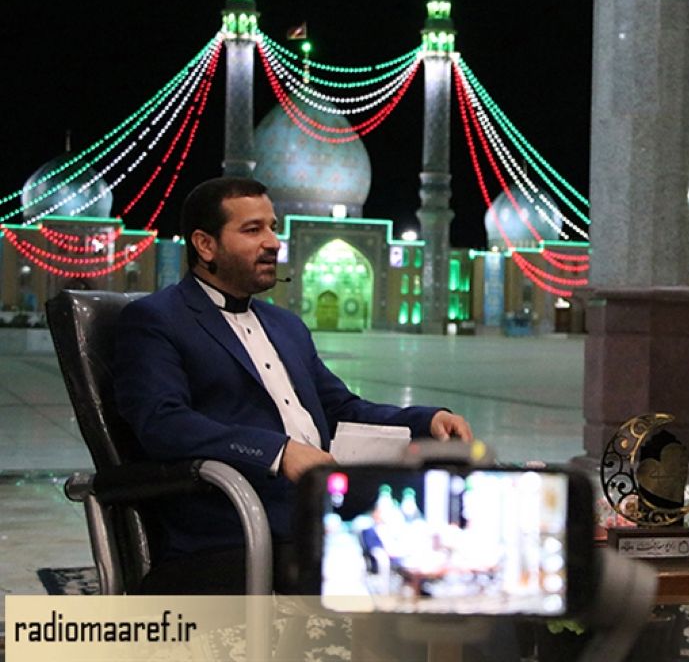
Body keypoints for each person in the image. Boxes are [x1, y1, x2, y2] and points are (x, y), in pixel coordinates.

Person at [113, 177, 472, 593]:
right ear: (205, 245)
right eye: (252, 230)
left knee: (457, 547)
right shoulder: (158, 320)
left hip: (318, 512)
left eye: (272, 227)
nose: (273, 242)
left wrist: (427, 421)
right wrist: (278, 452)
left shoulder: (284, 326)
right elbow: (163, 423)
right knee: (402, 577)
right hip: (235, 527)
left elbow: (342, 409)